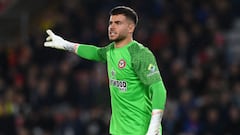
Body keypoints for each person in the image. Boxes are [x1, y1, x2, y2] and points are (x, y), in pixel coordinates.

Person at [44, 6, 167, 135]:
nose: (112, 27)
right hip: (117, 131)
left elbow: (159, 89)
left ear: (130, 28)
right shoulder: (111, 51)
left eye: (118, 23)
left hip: (141, 131)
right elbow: (95, 52)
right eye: (110, 23)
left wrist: (154, 126)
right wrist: (65, 44)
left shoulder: (139, 54)